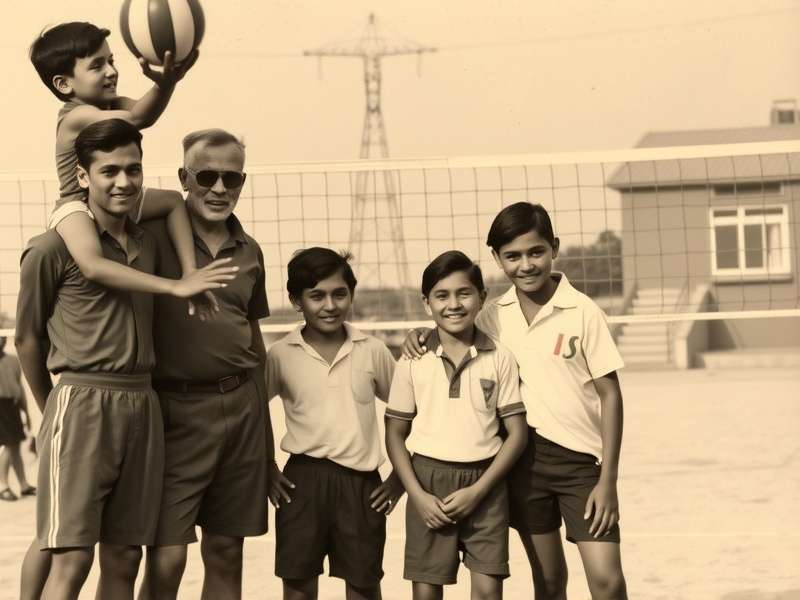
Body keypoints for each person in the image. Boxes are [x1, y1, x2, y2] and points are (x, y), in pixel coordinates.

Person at [14, 119, 205, 600]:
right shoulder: (52, 248)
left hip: (143, 403)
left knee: (124, 557)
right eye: (109, 171)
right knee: (72, 557)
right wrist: (52, 406)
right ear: (82, 178)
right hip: (81, 399)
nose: (124, 181)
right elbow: (27, 340)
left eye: (133, 170)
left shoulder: (146, 242)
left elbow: (177, 206)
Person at [404, 203, 629, 600]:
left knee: (607, 581)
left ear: (554, 248)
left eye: (535, 252)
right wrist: (421, 333)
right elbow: (451, 323)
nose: (526, 265)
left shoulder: (584, 312)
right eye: (513, 256)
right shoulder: (493, 316)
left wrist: (608, 479)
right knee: (549, 580)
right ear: (497, 259)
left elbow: (610, 395)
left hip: (581, 465)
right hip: (523, 464)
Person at [138, 129, 274, 600]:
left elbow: (253, 342)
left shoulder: (250, 251)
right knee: (167, 556)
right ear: (183, 177)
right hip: (174, 411)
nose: (219, 188)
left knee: (226, 550)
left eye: (231, 177)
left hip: (240, 411)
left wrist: (266, 440)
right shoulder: (151, 241)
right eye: (207, 176)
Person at [30, 22, 232, 317]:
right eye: (97, 65)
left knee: (173, 201)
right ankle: (176, 285)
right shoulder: (77, 115)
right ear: (64, 84)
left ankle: (190, 272)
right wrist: (165, 83)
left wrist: (169, 82)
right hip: (77, 205)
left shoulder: (109, 103)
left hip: (113, 199)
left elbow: (144, 112)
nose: (111, 71)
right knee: (92, 263)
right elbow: (138, 118)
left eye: (111, 61)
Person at [386, 251, 528, 600]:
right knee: (426, 592)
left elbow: (517, 433)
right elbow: (394, 434)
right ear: (426, 303)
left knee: (488, 592)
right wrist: (417, 496)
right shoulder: (412, 359)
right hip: (428, 483)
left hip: (486, 484)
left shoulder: (500, 357)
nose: (454, 304)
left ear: (482, 298)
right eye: (442, 295)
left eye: (464, 293)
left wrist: (479, 491)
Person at [266, 247, 403, 600]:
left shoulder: (372, 350)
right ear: (297, 300)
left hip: (362, 487)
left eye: (339, 294)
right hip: (302, 482)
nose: (330, 305)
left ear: (351, 295)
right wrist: (266, 466)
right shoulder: (281, 354)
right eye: (317, 296)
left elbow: (410, 412)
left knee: (364, 586)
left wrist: (400, 478)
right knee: (297, 588)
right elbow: (251, 413)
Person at [0, 335, 35, 501]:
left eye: (2, 338)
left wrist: (26, 412)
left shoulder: (13, 360)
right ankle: (3, 485)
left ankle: (23, 485)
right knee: (9, 444)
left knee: (15, 445)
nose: (1, 341)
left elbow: (19, 387)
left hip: (12, 406)